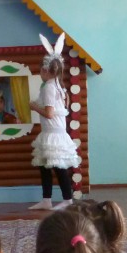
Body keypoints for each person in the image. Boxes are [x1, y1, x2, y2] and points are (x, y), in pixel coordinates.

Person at [28, 33, 81, 211]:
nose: (40, 74)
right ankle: (47, 199)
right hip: (51, 132)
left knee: (58, 167)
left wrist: (34, 107)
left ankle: (67, 200)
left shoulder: (50, 87)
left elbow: (49, 113)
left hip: (53, 133)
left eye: (41, 71)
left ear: (45, 70)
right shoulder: (58, 85)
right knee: (44, 166)